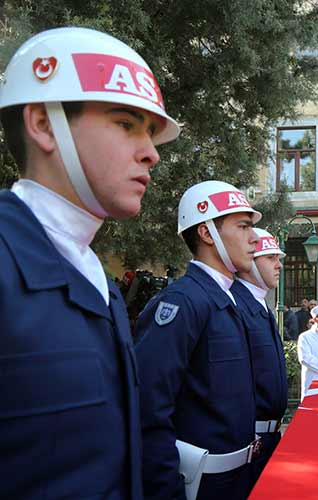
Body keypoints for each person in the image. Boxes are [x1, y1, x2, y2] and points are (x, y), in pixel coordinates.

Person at [0, 27, 179, 499]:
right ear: (42, 124)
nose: (152, 152)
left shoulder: (93, 273)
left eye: (151, 131)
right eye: (126, 123)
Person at [135, 181, 261, 500]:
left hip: (239, 478)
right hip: (201, 486)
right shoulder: (182, 303)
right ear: (206, 233)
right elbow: (148, 410)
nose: (255, 237)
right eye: (243, 226)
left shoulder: (228, 299)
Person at [229, 228, 288, 486]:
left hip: (268, 438)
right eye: (271, 258)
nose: (279, 265)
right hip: (248, 440)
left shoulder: (260, 303)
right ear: (249, 260)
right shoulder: (236, 304)